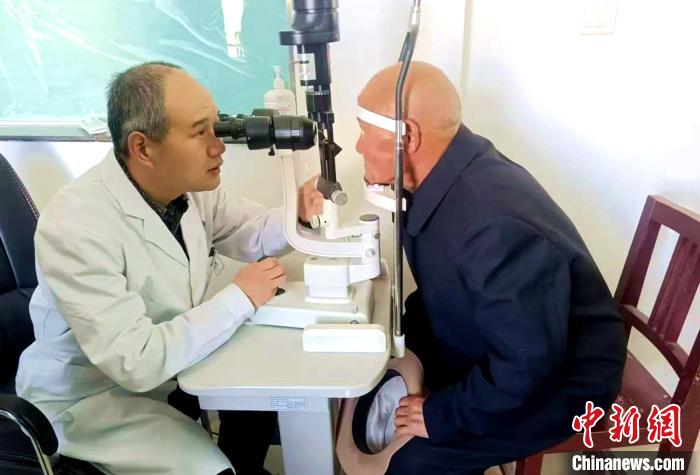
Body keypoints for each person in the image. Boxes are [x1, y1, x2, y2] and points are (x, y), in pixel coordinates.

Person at [16, 62, 323, 475]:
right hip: (93, 400)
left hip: (173, 371)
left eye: (217, 126)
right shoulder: (75, 226)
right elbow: (136, 360)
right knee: (212, 469)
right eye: (200, 132)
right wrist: (239, 298)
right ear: (143, 148)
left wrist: (296, 213)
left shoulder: (188, 191)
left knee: (256, 403)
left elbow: (249, 230)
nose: (219, 146)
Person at [355, 62, 626, 474]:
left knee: (413, 461)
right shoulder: (441, 181)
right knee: (372, 384)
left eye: (364, 132)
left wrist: (443, 415)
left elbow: (527, 369)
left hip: (563, 381)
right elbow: (445, 289)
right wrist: (400, 345)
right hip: (504, 342)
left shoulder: (493, 227)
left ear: (406, 137)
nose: (357, 147)